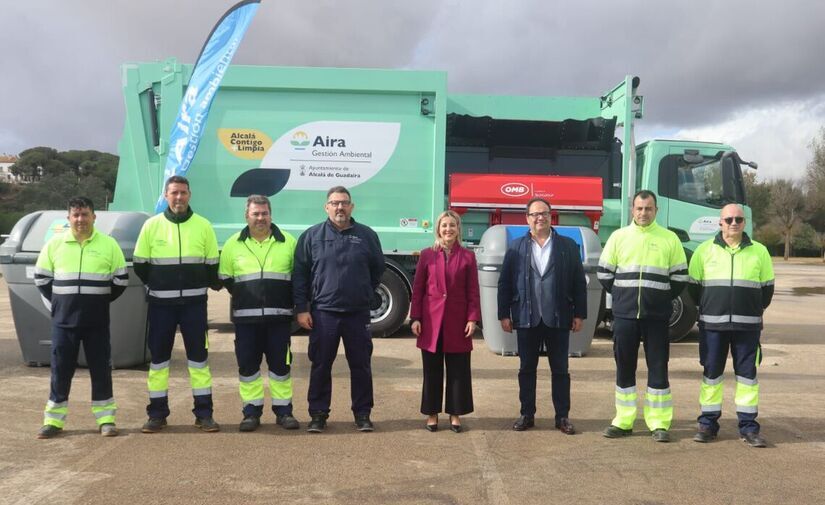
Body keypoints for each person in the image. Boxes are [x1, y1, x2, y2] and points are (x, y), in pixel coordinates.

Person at [34, 197, 128, 439]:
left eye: (85, 214)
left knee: (101, 370)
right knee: (60, 371)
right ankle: (53, 421)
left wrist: (97, 300)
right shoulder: (54, 245)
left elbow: (121, 279)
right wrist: (60, 303)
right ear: (68, 218)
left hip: (96, 322)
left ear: (94, 217)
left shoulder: (109, 245)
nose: (80, 219)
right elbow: (42, 278)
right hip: (63, 323)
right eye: (75, 215)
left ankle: (106, 419)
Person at [598, 190, 688, 442]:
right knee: (624, 367)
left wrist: (660, 298)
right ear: (632, 210)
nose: (643, 213)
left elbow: (680, 277)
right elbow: (604, 273)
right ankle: (623, 420)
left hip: (657, 317)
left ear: (656, 210)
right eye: (639, 208)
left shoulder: (669, 239)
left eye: (648, 208)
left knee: (658, 368)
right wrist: (621, 295)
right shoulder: (619, 237)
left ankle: (659, 423)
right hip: (625, 316)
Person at [293, 186, 385, 433]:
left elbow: (378, 269)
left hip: (357, 314)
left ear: (352, 206)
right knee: (321, 364)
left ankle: (363, 414)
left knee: (361, 365)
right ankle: (318, 415)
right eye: (334, 203)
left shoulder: (366, 235)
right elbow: (300, 275)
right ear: (326, 207)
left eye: (344, 203)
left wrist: (364, 291)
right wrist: (302, 309)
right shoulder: (312, 236)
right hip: (324, 313)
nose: (340, 207)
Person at [133, 175, 221, 433]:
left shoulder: (203, 226)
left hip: (194, 306)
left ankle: (204, 414)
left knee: (199, 361)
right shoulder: (151, 226)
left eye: (183, 193)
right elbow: (141, 265)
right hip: (161, 307)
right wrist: (159, 286)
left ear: (189, 195)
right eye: (174, 193)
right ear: (166, 195)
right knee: (159, 362)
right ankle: (157, 414)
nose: (179, 197)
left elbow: (212, 265)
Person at [497, 197, 587, 435]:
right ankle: (527, 414)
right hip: (527, 318)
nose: (540, 218)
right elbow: (505, 283)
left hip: (558, 318)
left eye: (544, 213)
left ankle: (562, 417)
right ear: (527, 219)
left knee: (560, 369)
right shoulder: (516, 247)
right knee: (527, 369)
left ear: (551, 216)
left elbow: (579, 282)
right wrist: (503, 314)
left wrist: (580, 313)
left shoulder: (568, 246)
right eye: (535, 214)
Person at [688, 204, 774, 447]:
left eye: (738, 219)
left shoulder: (760, 252)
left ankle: (748, 427)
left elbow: (767, 290)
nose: (733, 223)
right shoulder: (704, 251)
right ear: (720, 222)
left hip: (747, 328)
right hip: (713, 327)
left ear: (744, 222)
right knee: (711, 376)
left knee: (747, 377)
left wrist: (751, 311)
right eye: (728, 219)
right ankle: (707, 424)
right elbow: (694, 289)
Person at [219, 195, 301, 432]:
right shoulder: (233, 244)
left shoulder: (288, 242)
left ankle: (284, 412)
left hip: (279, 320)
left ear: (271, 214)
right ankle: (251, 413)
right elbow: (226, 278)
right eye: (256, 214)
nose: (260, 218)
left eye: (264, 213)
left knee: (281, 368)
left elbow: (298, 278)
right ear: (247, 216)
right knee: (248, 368)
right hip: (246, 321)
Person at [409, 210, 481, 433]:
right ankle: (432, 413)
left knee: (458, 370)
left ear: (458, 229)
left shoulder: (468, 257)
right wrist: (416, 317)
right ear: (438, 229)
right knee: (432, 370)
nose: (448, 229)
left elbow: (473, 291)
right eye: (444, 226)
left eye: (452, 225)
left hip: (458, 321)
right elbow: (418, 289)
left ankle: (455, 413)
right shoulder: (427, 255)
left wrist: (472, 318)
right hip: (431, 322)